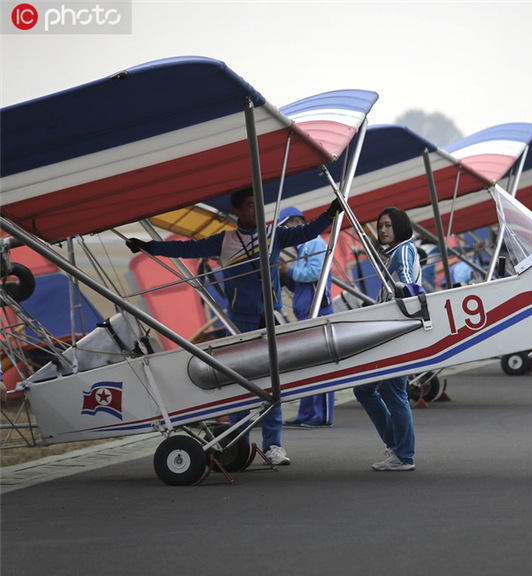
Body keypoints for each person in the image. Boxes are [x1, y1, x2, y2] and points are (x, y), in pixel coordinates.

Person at [126, 189, 342, 465]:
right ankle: (237, 442)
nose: (257, 210)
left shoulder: (273, 234)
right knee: (237, 382)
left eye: (259, 205)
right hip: (238, 321)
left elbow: (306, 233)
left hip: (270, 318)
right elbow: (187, 249)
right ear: (238, 211)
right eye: (251, 206)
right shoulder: (225, 240)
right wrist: (149, 246)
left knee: (271, 382)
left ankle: (273, 446)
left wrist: (330, 213)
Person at [352, 207, 422, 471]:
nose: (382, 230)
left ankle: (403, 455)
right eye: (380, 225)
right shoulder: (396, 251)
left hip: (396, 330)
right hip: (392, 329)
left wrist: (407, 292)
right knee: (365, 389)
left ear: (400, 227)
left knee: (394, 393)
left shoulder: (403, 249)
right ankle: (397, 447)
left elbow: (405, 279)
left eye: (388, 225)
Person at [277, 206, 335, 429]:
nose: (286, 233)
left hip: (317, 312)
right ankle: (306, 413)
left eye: (286, 227)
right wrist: (288, 277)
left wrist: (288, 272)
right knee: (307, 367)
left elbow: (314, 274)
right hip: (305, 312)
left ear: (296, 222)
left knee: (319, 366)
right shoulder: (303, 248)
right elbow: (303, 282)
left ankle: (321, 416)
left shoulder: (315, 243)